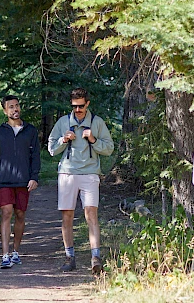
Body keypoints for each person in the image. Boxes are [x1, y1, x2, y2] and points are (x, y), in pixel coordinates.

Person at [48, 87, 114, 275]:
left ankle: (96, 258)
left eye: (81, 106)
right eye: (75, 106)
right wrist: (63, 140)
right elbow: (51, 149)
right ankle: (70, 257)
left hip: (90, 174)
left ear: (88, 104)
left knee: (91, 215)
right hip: (67, 174)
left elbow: (109, 148)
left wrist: (93, 140)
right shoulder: (63, 122)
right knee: (67, 216)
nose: (78, 110)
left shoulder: (97, 122)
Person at [0, 95, 41, 269]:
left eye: (17, 106)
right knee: (6, 213)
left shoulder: (30, 131)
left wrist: (34, 177)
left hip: (24, 181)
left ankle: (16, 251)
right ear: (5, 110)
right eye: (11, 107)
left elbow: (35, 156)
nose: (15, 109)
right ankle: (5, 255)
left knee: (20, 215)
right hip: (4, 180)